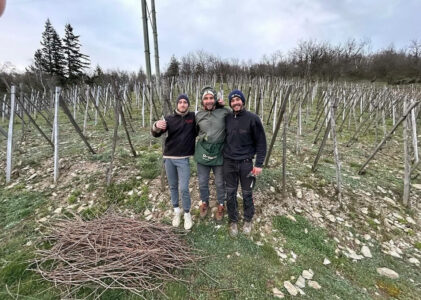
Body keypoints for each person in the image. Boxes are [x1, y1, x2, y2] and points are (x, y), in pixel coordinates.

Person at [223, 89, 267, 236]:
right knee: (230, 193)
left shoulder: (252, 118)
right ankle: (233, 220)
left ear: (243, 101)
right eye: (233, 101)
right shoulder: (227, 118)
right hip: (228, 162)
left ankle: (248, 219)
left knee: (247, 193)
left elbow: (261, 142)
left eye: (238, 100)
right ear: (230, 103)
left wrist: (259, 164)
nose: (236, 103)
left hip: (246, 162)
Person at [151, 94, 196, 230]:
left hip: (183, 160)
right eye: (180, 102)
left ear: (188, 104)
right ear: (177, 104)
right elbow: (156, 133)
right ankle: (177, 211)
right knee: (173, 186)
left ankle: (187, 213)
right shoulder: (169, 119)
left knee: (183, 188)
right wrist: (155, 126)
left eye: (185, 102)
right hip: (169, 158)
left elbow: (208, 112)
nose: (182, 104)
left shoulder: (193, 117)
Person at [194, 86, 230, 221]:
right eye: (206, 98)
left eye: (211, 98)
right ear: (202, 101)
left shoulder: (224, 113)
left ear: (215, 99)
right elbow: (194, 131)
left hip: (219, 152)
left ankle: (221, 204)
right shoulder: (198, 115)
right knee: (203, 181)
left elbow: (235, 120)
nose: (208, 101)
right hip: (203, 152)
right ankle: (204, 202)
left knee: (220, 182)